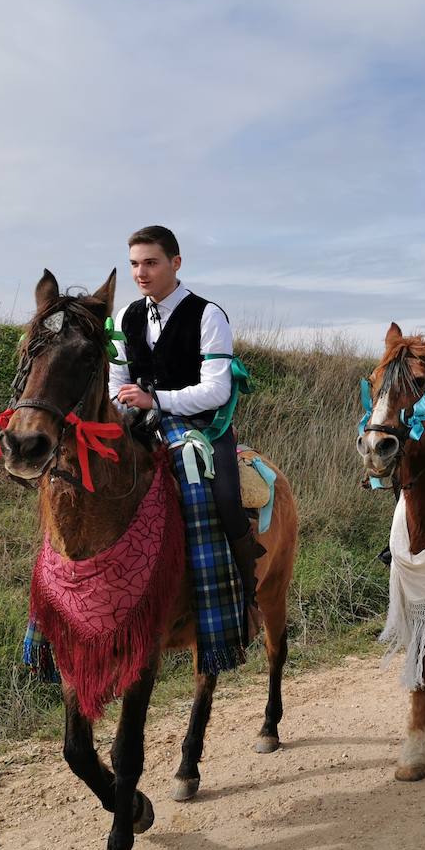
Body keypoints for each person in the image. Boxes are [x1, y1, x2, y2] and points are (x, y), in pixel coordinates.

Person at [108, 225, 262, 609]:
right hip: (139, 424)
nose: (140, 273)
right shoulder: (126, 315)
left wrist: (154, 399)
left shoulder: (208, 315)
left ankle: (246, 593)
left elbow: (217, 390)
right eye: (133, 264)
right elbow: (116, 384)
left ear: (175, 263)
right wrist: (128, 406)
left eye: (151, 263)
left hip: (203, 426)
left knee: (226, 498)